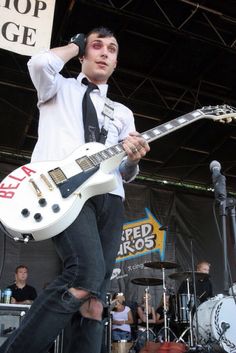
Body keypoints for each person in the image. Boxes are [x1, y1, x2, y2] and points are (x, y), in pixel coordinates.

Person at [0, 27, 150, 353]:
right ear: (84, 54)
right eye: (97, 46)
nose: (104, 52)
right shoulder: (59, 87)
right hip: (65, 191)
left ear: (115, 62)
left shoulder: (122, 113)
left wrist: (134, 159)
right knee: (84, 274)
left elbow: (126, 173)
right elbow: (39, 64)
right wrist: (74, 45)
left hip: (110, 199)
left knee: (95, 301)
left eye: (111, 49)